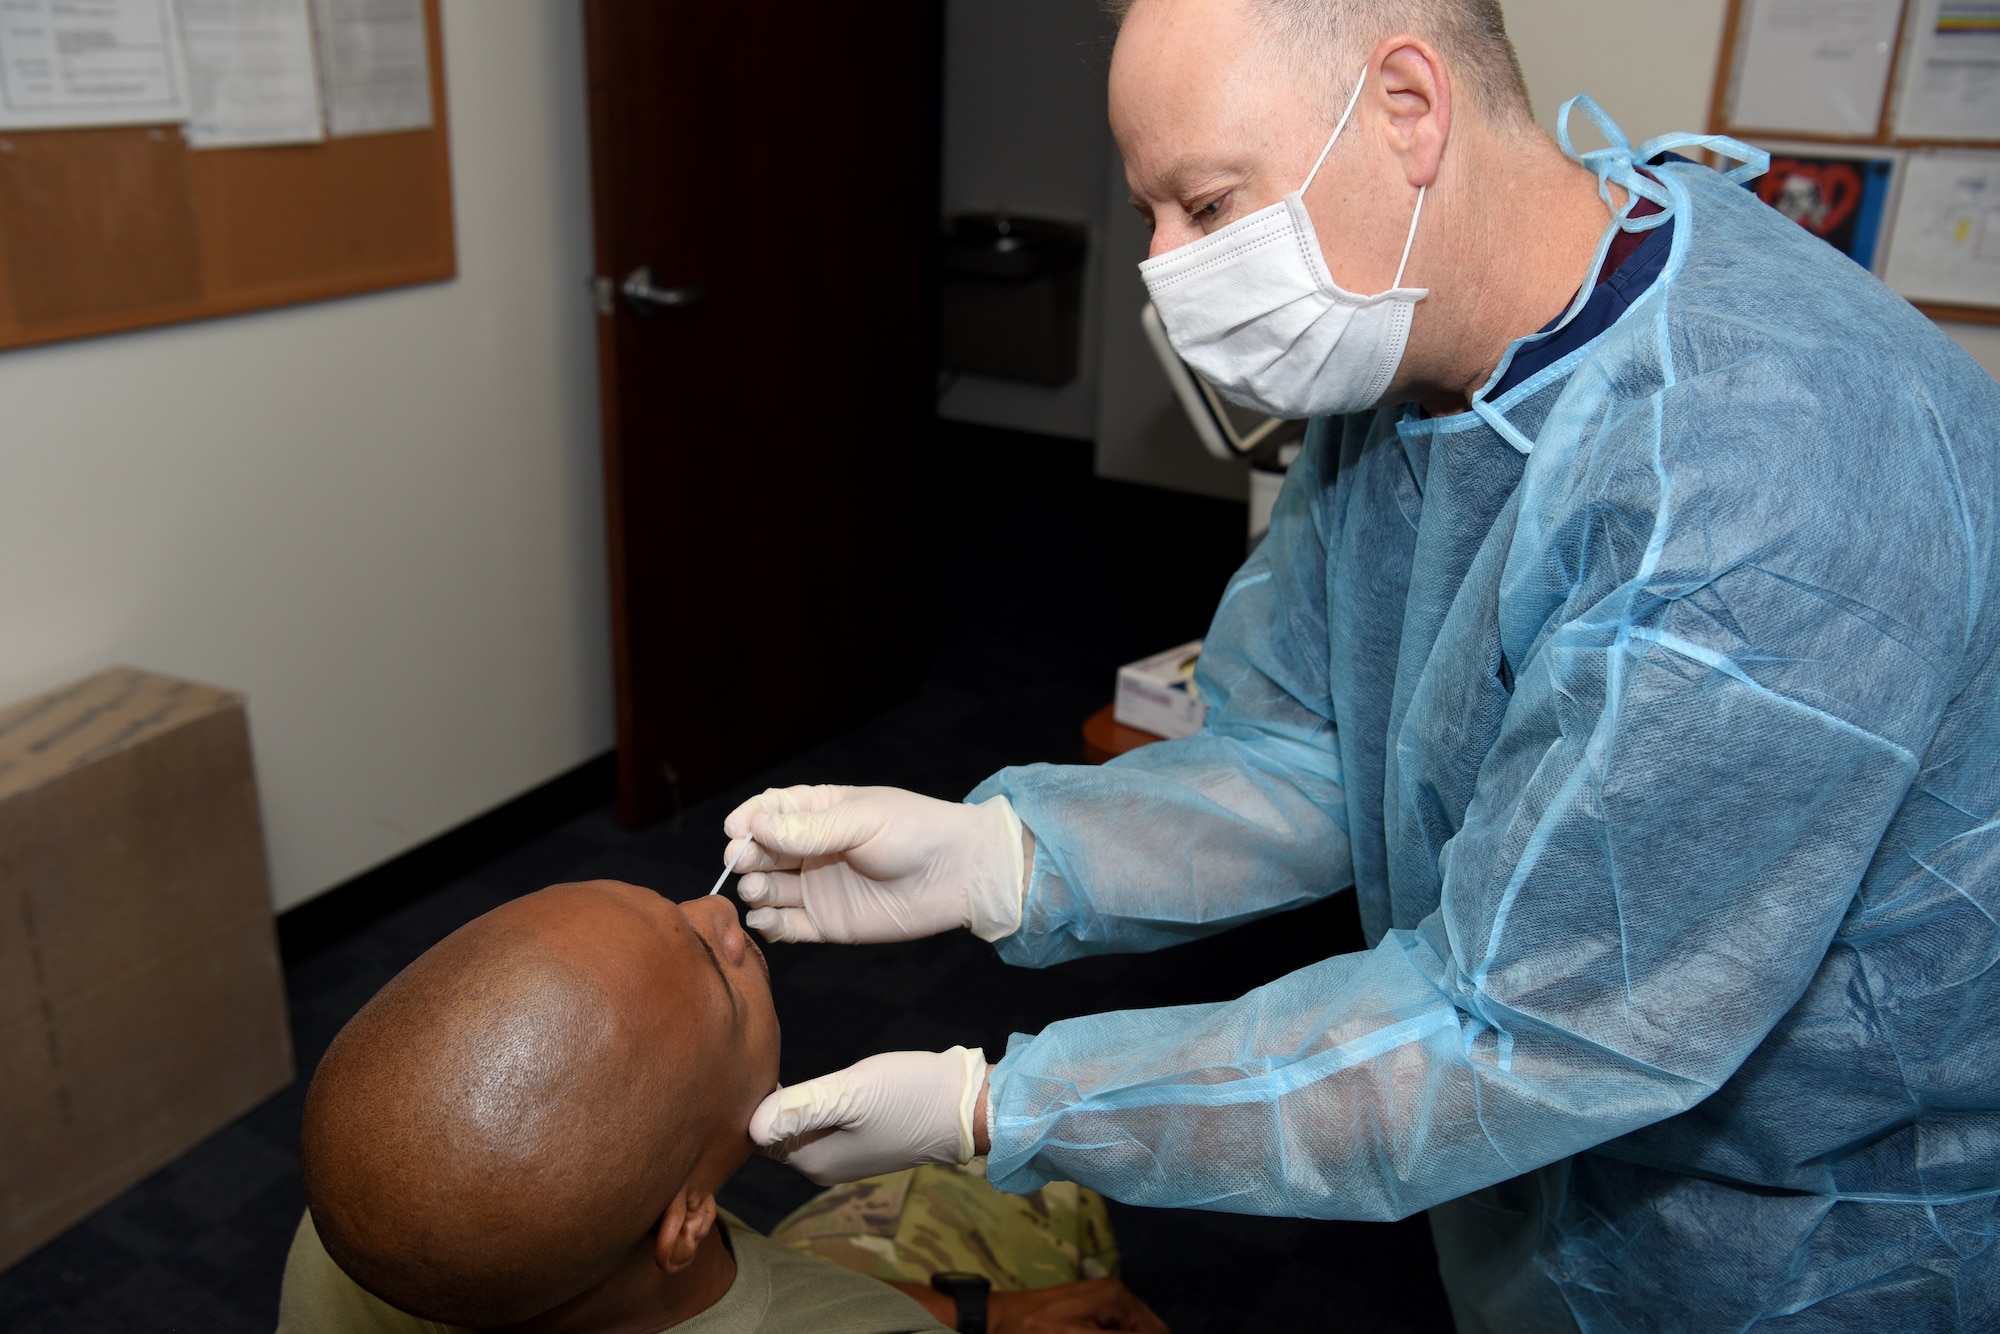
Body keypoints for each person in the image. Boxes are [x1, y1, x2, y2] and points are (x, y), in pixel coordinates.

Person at [722, 1, 2000, 1330]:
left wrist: (1007, 1105)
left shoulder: (1748, 496)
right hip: (1547, 1190)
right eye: (1150, 212)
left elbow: (1511, 1032)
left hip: (1806, 1233)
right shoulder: (1420, 355)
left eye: (1206, 206)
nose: (1166, 271)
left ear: (1408, 108)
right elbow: (1317, 747)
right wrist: (1006, 856)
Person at [282, 881, 1167, 1333]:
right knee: (1040, 1192)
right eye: (717, 970)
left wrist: (992, 1316)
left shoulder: (364, 1237)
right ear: (685, 1225)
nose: (719, 909)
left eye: (669, 908)